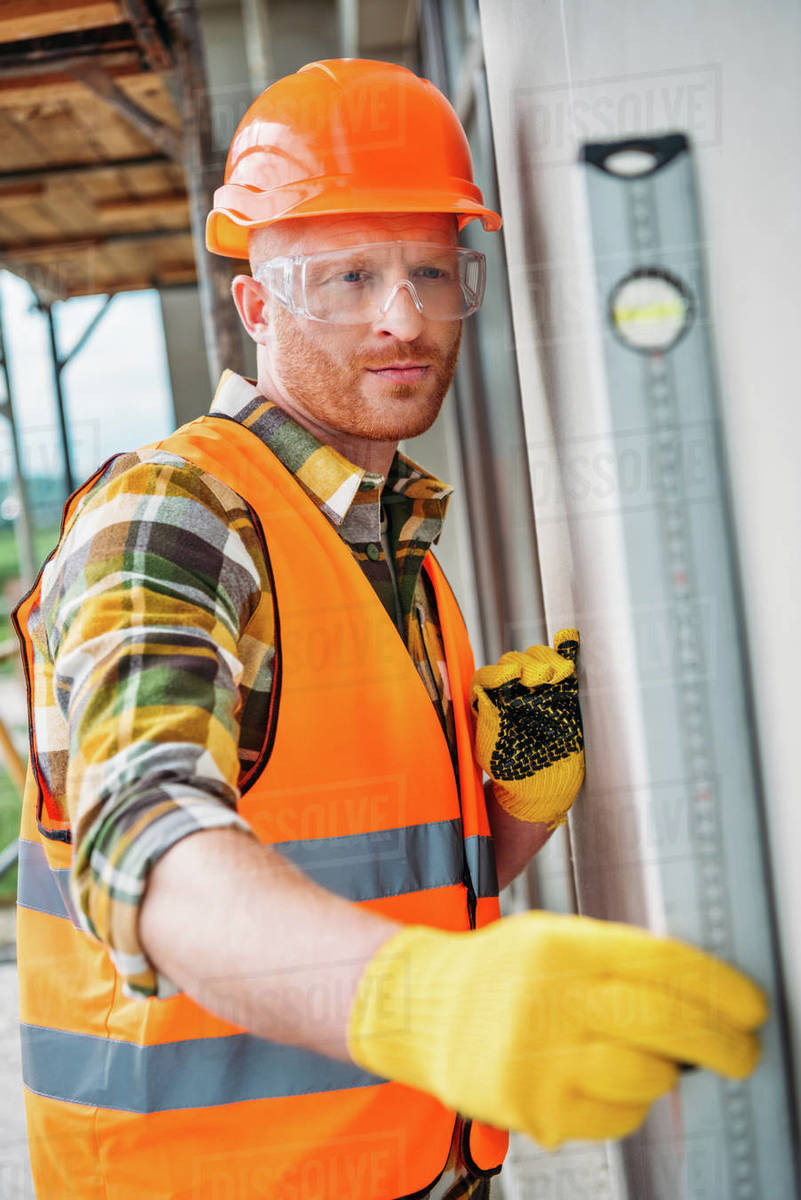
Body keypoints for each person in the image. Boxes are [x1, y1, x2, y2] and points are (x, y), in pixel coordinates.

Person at [13, 59, 766, 1200]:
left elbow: (407, 878)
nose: (403, 318)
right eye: (348, 276)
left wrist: (512, 800)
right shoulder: (176, 513)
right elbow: (145, 842)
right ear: (256, 302)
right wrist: (419, 999)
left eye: (431, 271)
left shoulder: (391, 547)